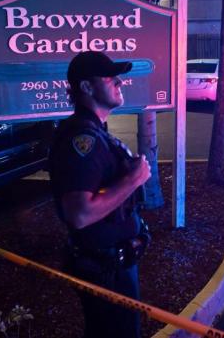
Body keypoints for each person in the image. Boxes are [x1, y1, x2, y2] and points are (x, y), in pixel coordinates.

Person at [49, 51, 151, 338]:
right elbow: (79, 214)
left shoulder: (96, 133)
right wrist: (133, 179)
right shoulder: (82, 141)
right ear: (86, 87)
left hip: (113, 263)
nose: (119, 81)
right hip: (104, 270)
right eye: (109, 77)